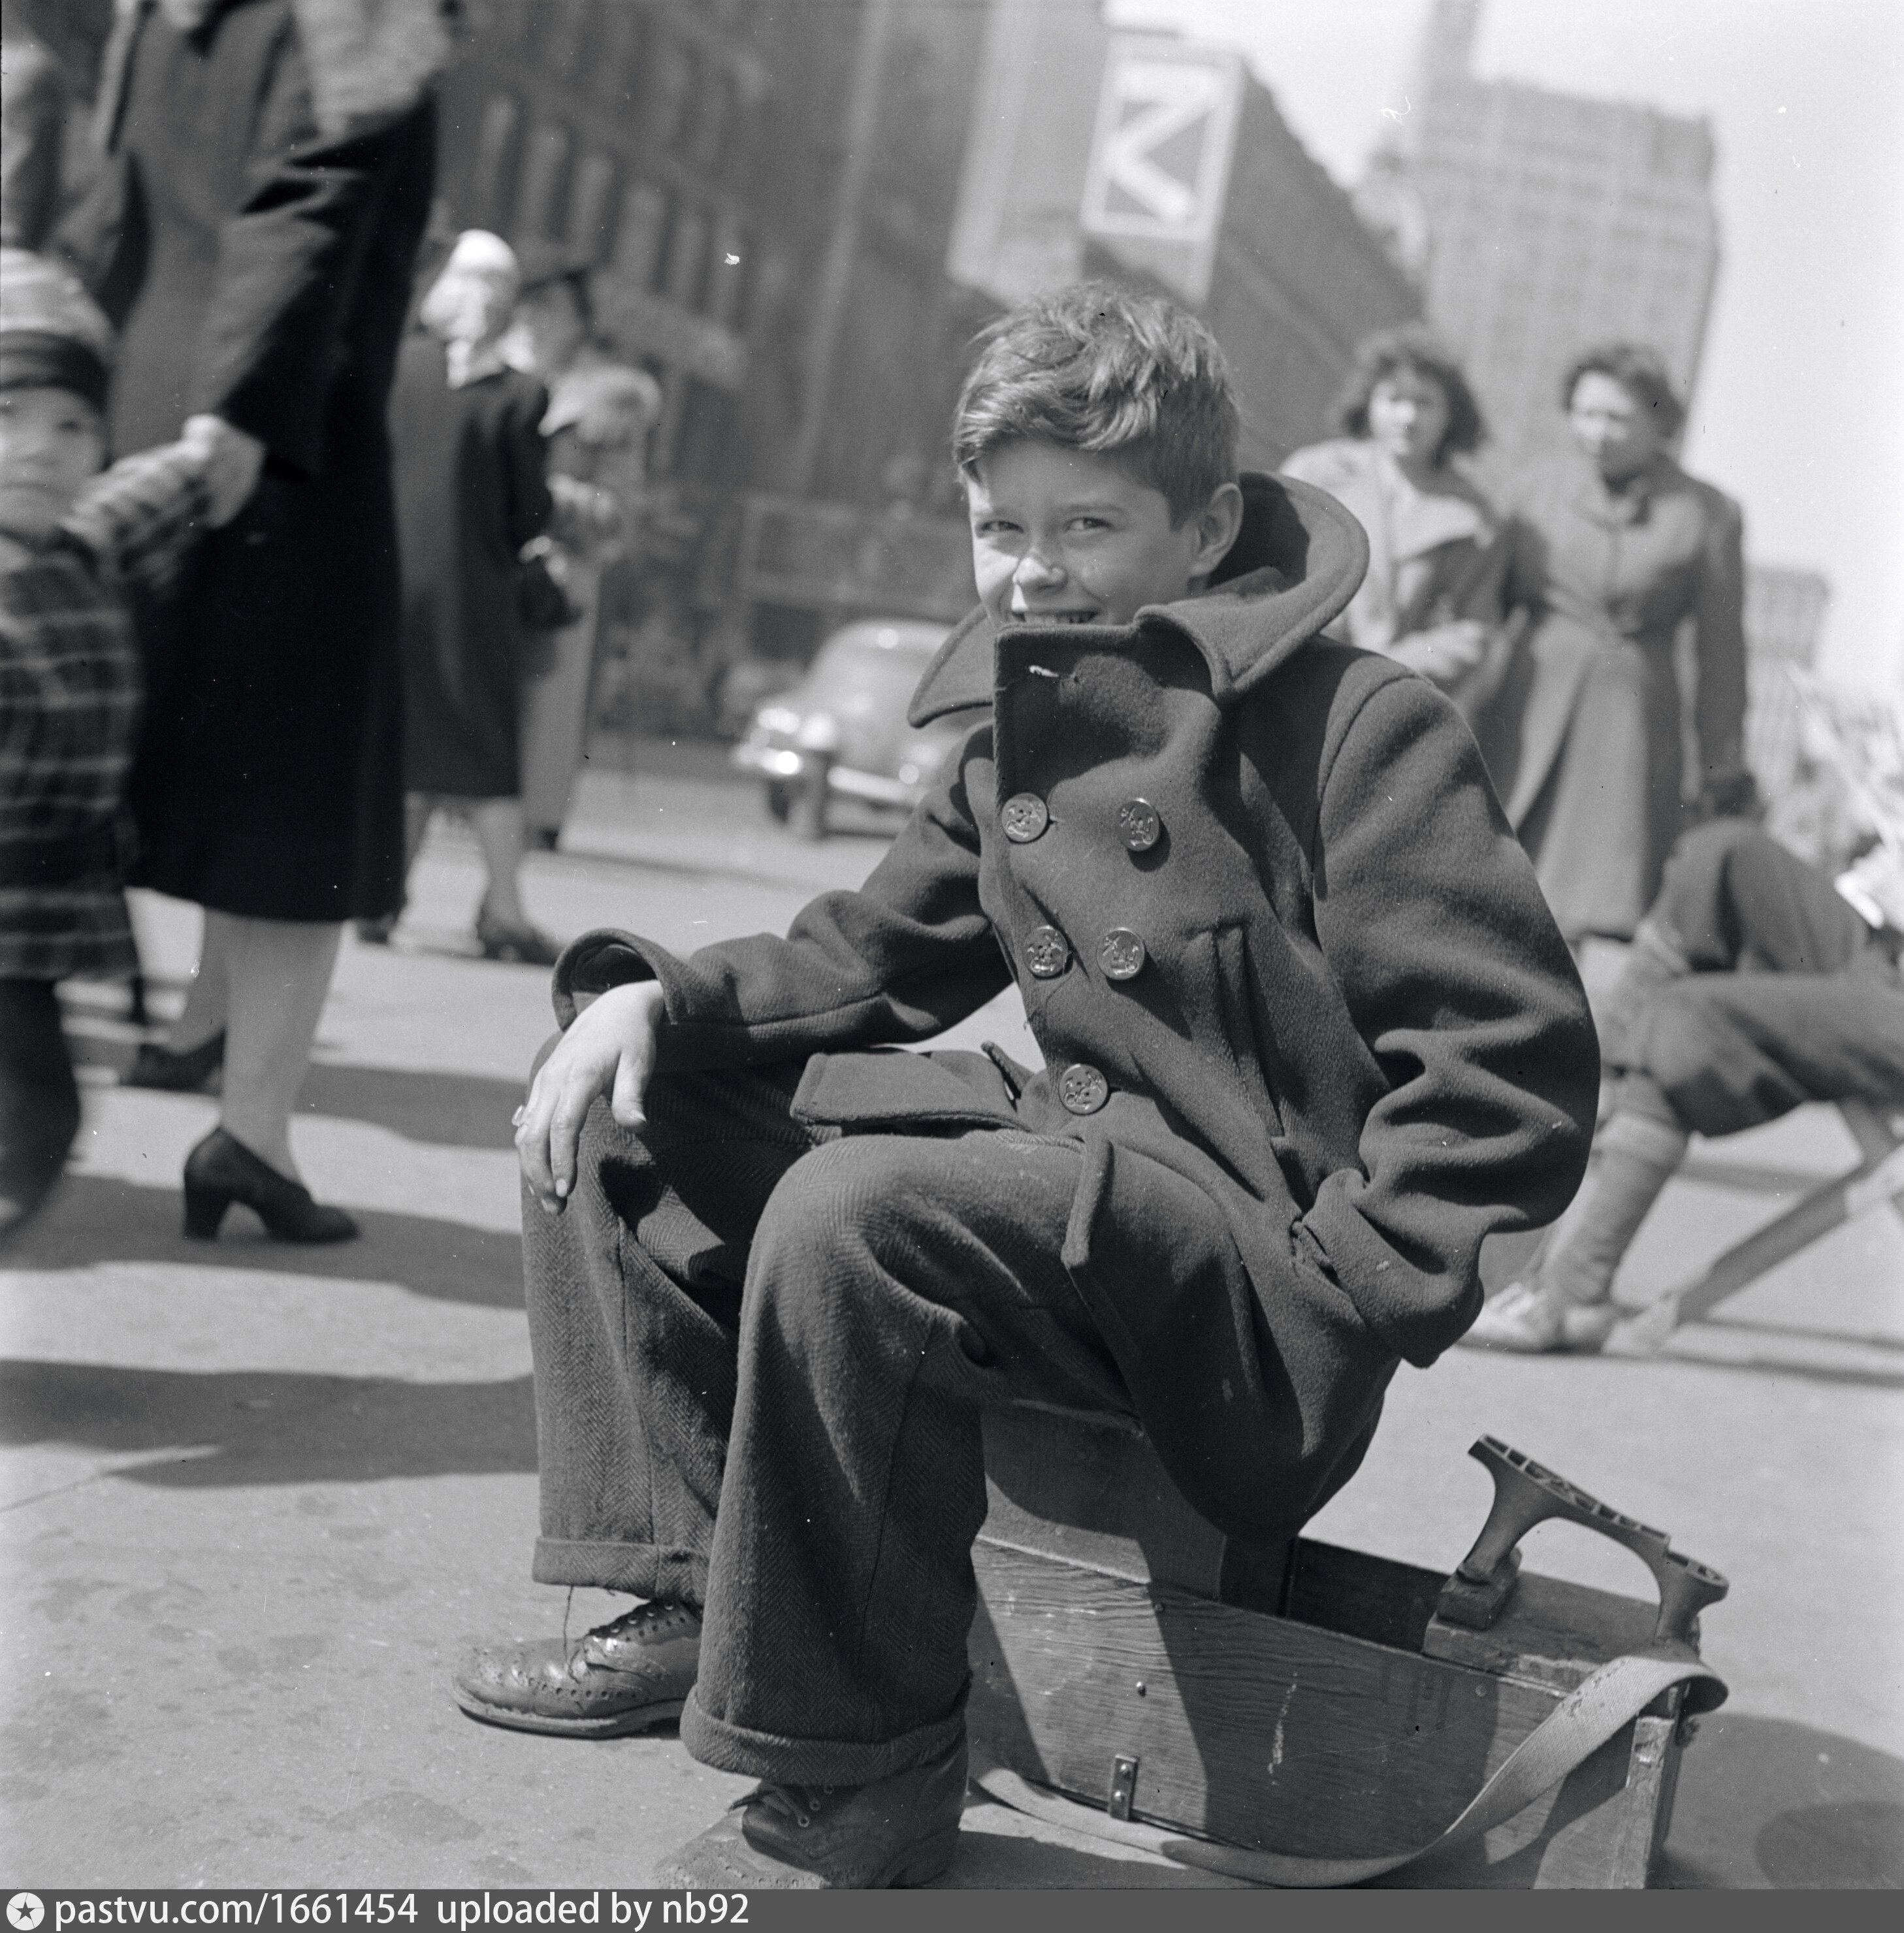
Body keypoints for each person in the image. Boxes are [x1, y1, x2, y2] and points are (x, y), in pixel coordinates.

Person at [452, 284, 1600, 1888]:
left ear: (1207, 530)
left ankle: (860, 1782)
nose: (1031, 568)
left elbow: (1510, 1068)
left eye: (1087, 525)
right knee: (613, 1098)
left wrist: (1347, 1295)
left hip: (1245, 1279)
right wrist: (655, 998)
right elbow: (865, 956)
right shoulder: (1016, 732)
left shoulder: (1357, 726)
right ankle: (687, 1589)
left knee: (857, 1212)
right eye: (999, 527)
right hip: (1079, 1198)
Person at [54, 0, 444, 1240]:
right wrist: (239, 409)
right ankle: (253, 1135)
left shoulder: (164, 13)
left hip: (138, 394)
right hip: (283, 431)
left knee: (67, 757)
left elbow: (109, 212)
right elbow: (308, 197)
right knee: (295, 806)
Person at [1464, 818, 1904, 1352]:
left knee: (1691, 1019)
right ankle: (1597, 1088)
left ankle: (1576, 1286)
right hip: (1887, 956)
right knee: (1720, 855)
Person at [0, 250, 217, 1233]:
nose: (39, 449)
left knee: (40, 1112)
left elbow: (153, 492)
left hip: (32, 911)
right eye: (7, 414)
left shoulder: (77, 544)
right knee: (32, 1115)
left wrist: (217, 441)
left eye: (72, 424)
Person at [1474, 342, 1750, 947]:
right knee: (1487, 876)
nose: (1596, 432)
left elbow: (1721, 656)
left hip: (1630, 723)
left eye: (1617, 418)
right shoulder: (1530, 491)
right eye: (1585, 413)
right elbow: (1480, 607)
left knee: (1589, 898)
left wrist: (1720, 764)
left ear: (1658, 421)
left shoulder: (1707, 513)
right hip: (1526, 701)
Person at [382, 231, 560, 964]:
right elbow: (529, 512)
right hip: (474, 598)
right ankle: (507, 911)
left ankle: (381, 895)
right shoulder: (521, 394)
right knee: (487, 756)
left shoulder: (401, 367)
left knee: (405, 745)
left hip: (395, 586)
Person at [502, 244, 661, 852]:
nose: (536, 320)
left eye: (552, 309)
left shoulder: (609, 398)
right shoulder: (499, 378)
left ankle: (534, 816)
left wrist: (545, 497)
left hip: (559, 571)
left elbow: (618, 511)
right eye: (529, 307)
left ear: (581, 320)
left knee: (546, 704)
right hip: (491, 559)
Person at [1282, 324, 1511, 717]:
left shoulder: (1471, 518)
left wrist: (1386, 666)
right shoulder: (1316, 472)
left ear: (1450, 415)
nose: (1407, 417)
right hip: (1296, 671)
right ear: (1369, 401)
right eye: (1394, 399)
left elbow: (1472, 632)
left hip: (1389, 699)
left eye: (1425, 403)